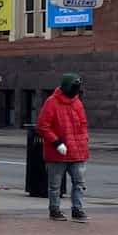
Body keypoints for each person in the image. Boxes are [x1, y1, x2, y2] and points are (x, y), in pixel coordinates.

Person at [37, 72, 89, 222]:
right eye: (74, 87)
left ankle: (77, 209)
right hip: (58, 152)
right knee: (55, 185)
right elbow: (43, 126)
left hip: (78, 151)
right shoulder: (51, 102)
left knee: (79, 183)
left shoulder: (77, 102)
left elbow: (83, 123)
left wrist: (84, 139)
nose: (76, 91)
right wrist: (57, 143)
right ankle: (55, 209)